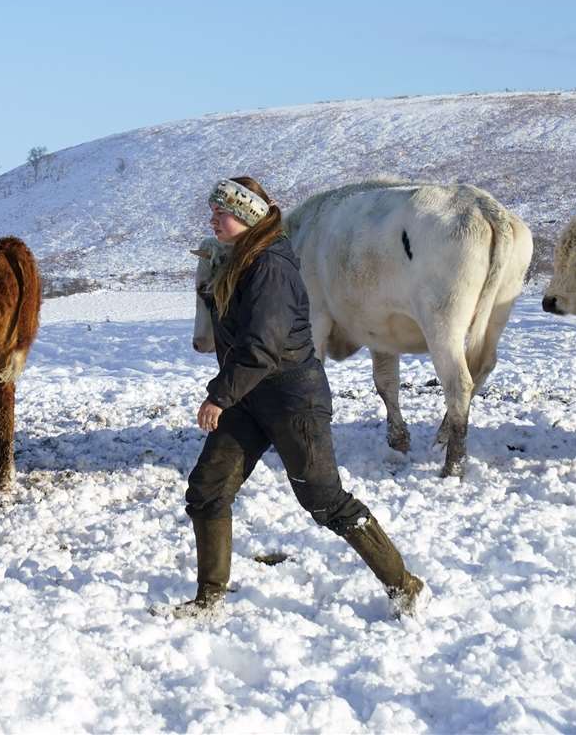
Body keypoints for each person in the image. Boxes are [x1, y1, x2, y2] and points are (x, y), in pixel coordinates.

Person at [181, 176, 425, 618]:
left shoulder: (268, 265)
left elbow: (261, 345)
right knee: (207, 490)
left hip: (294, 399)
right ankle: (209, 598)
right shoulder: (239, 259)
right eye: (213, 210)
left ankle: (405, 585)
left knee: (324, 500)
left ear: (248, 216)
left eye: (223, 212)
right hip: (250, 397)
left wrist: (219, 396)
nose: (213, 218)